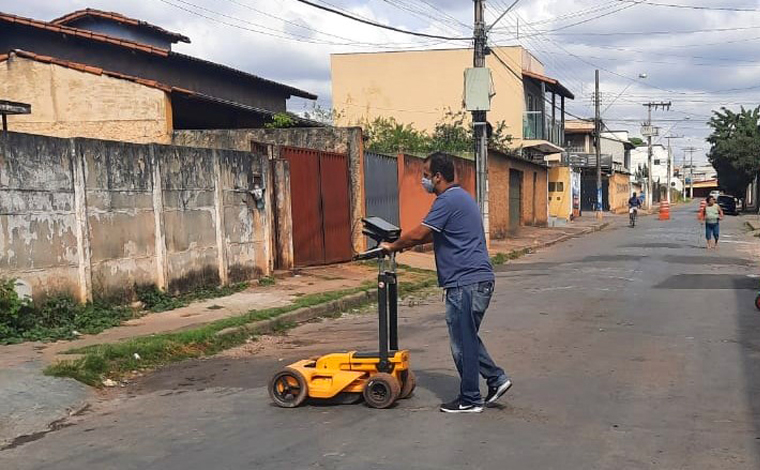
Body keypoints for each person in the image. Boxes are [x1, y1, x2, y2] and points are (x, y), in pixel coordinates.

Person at [380, 152, 510, 414]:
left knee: (462, 342)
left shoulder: (448, 200)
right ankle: (496, 379)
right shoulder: (461, 197)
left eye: (426, 176)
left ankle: (471, 398)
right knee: (467, 338)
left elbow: (421, 233)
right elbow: (436, 234)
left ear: (438, 177)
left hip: (466, 282)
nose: (424, 181)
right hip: (475, 280)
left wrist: (393, 246)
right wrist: (404, 246)